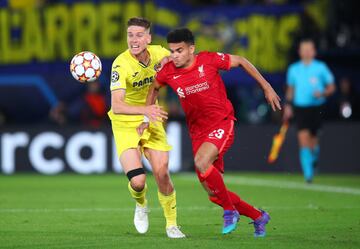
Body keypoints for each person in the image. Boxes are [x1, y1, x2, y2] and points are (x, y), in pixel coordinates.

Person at [138, 28, 281, 236]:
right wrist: (146, 115)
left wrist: (266, 86)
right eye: (172, 51)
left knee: (201, 162)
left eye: (180, 50)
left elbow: (240, 60)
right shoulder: (168, 71)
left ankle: (230, 212)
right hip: (197, 133)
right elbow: (154, 87)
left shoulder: (209, 60)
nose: (175, 55)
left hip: (222, 123)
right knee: (214, 194)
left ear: (191, 49)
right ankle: (258, 216)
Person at [108, 17, 185, 238]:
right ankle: (141, 205)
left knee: (162, 172)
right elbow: (117, 105)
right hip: (125, 123)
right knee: (138, 181)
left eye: (139, 35)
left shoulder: (159, 53)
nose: (134, 39)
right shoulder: (120, 64)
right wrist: (145, 111)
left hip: (150, 118)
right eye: (130, 35)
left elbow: (179, 60)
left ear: (148, 38)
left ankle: (172, 224)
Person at [283, 39, 336, 183]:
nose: (306, 52)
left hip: (317, 108)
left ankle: (314, 159)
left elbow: (331, 87)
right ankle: (308, 174)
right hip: (301, 108)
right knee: (303, 138)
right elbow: (290, 89)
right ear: (299, 52)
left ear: (314, 52)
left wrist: (323, 93)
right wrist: (288, 106)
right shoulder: (294, 69)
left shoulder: (321, 67)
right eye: (303, 49)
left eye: (309, 49)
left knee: (314, 141)